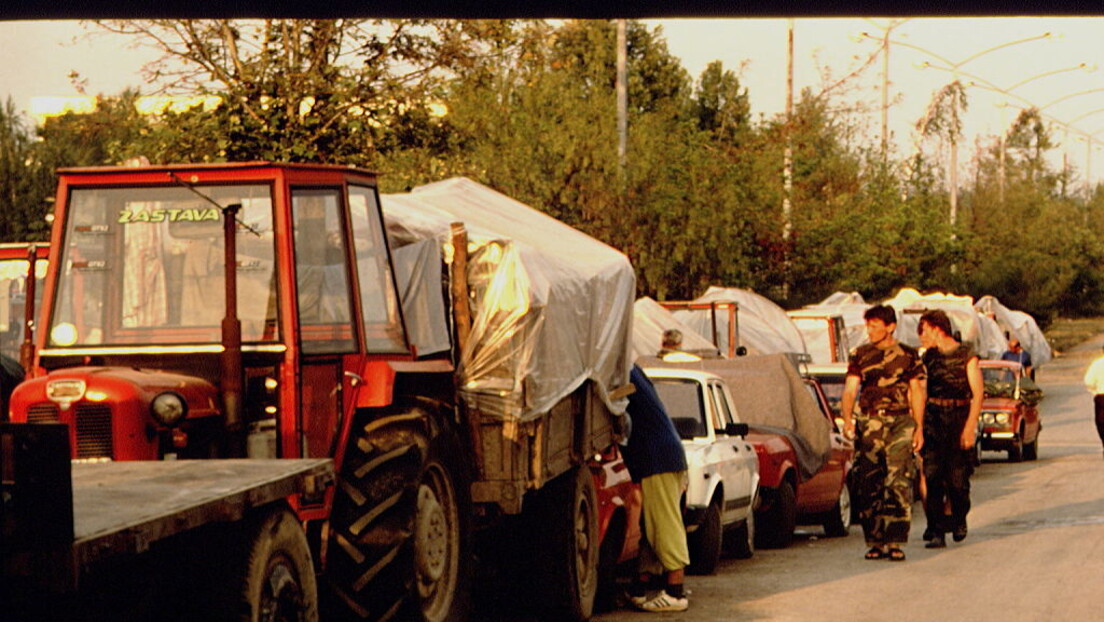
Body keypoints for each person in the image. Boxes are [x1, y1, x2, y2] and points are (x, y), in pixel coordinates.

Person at [839, 304, 925, 562]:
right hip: (870, 424)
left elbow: (917, 392)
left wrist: (918, 426)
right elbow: (850, 389)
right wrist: (847, 419)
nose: (870, 330)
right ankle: (875, 540)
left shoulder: (909, 355)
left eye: (875, 326)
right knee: (869, 482)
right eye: (868, 325)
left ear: (890, 327)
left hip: (900, 422)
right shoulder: (861, 355)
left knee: (898, 482)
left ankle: (896, 540)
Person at [621, 364, 691, 613]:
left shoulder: (619, 371)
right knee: (652, 526)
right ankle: (639, 586)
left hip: (656, 458)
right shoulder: (630, 370)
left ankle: (675, 591)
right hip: (663, 455)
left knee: (664, 524)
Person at [917, 310, 983, 549]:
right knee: (932, 477)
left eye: (923, 330)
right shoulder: (928, 358)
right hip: (934, 420)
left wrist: (969, 428)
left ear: (936, 329)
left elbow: (977, 395)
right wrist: (919, 427)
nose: (921, 336)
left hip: (959, 418)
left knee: (958, 482)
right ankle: (936, 530)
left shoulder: (966, 355)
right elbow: (921, 392)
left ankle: (958, 518)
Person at [1082, 345, 1104, 459]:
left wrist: (1095, 391)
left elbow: (1088, 381)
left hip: (1101, 396)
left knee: (1101, 422)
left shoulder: (1096, 365)